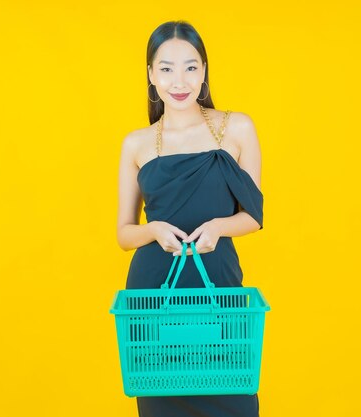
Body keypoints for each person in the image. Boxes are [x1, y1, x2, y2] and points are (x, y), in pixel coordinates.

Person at [116, 20, 264, 417]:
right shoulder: (137, 142)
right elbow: (124, 234)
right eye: (166, 68)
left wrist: (218, 227)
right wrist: (152, 229)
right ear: (150, 74)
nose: (178, 80)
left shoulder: (237, 127)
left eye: (190, 67)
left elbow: (254, 215)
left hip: (217, 282)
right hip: (153, 295)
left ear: (204, 71)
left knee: (233, 397)